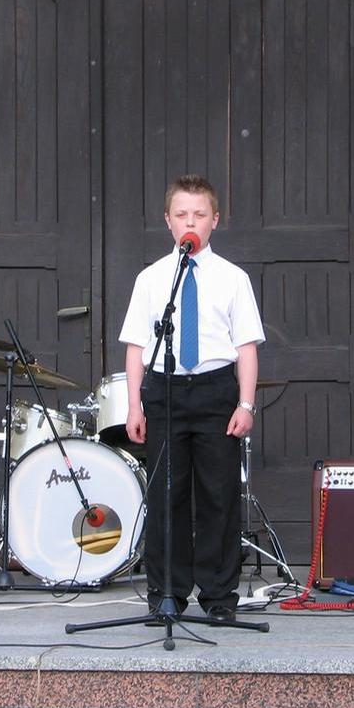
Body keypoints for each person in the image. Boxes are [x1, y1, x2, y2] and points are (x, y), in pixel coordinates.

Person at [119, 174, 264, 621]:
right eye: (181, 214)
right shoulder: (151, 279)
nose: (190, 222)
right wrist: (135, 404)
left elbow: (246, 347)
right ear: (168, 220)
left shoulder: (233, 278)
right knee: (168, 496)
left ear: (214, 220)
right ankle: (168, 593)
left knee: (219, 496)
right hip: (165, 391)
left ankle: (219, 597)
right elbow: (137, 347)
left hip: (215, 390)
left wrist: (245, 404)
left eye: (199, 215)